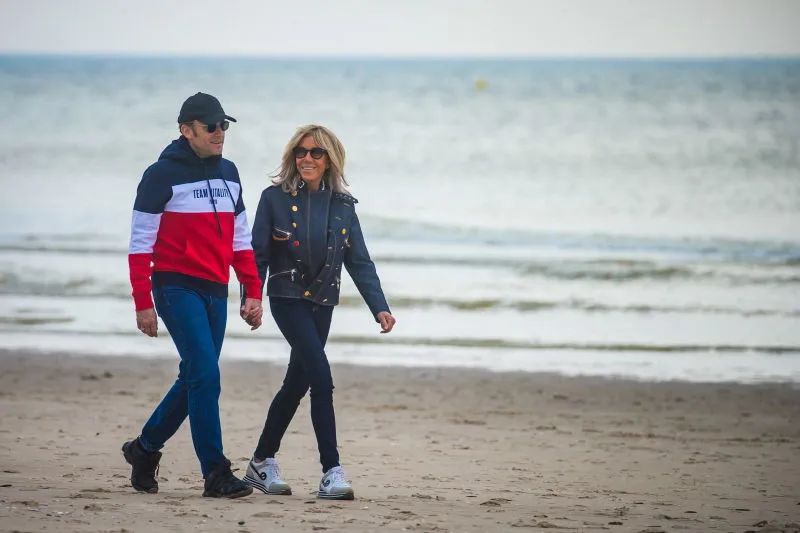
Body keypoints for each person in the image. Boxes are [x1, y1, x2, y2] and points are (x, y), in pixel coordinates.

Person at [243, 124, 396, 501]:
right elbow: (258, 255)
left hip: (323, 301)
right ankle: (332, 470)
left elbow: (359, 261)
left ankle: (261, 461)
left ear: (330, 159)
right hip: (287, 297)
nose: (307, 158)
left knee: (296, 384)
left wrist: (379, 307)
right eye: (301, 152)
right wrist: (252, 297)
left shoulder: (344, 206)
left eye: (316, 152)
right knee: (321, 378)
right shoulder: (273, 198)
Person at [122, 92, 264, 499]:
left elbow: (240, 239)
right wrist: (143, 302)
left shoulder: (230, 173)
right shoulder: (160, 175)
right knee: (205, 374)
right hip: (175, 286)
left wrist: (252, 291)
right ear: (186, 130)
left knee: (196, 377)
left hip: (215, 289)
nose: (220, 133)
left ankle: (144, 448)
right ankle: (216, 472)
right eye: (211, 126)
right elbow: (140, 244)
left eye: (224, 125)